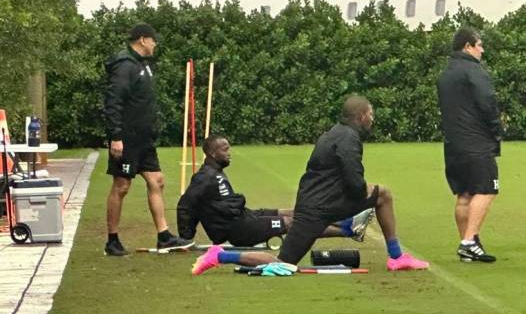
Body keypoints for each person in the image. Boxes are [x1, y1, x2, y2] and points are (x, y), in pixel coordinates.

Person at [191, 95, 429, 275]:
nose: (373, 119)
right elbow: (352, 176)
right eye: (371, 114)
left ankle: (220, 255)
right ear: (361, 116)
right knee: (382, 195)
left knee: (285, 262)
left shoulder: (333, 133)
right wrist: (360, 200)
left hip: (314, 204)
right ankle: (395, 256)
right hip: (322, 207)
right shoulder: (348, 138)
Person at [177, 134, 375, 246]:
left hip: (244, 218)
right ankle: (348, 231)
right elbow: (186, 205)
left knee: (293, 212)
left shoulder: (215, 171)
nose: (230, 153)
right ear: (211, 153)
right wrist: (186, 237)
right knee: (289, 223)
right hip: (238, 230)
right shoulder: (205, 177)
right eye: (225, 150)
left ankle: (347, 221)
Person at [104, 23, 192, 256]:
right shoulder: (125, 66)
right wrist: (116, 136)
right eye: (153, 40)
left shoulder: (144, 65)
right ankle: (112, 240)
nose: (155, 44)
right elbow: (114, 102)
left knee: (157, 181)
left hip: (144, 139)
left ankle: (164, 236)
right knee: (122, 186)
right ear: (143, 40)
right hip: (127, 139)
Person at [437, 27, 502, 263]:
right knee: (487, 189)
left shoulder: (446, 74)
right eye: (480, 45)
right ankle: (469, 240)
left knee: (464, 195)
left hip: (453, 143)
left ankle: (468, 244)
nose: (482, 50)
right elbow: (487, 103)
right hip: (476, 142)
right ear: (468, 46)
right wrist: (496, 130)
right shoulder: (474, 71)